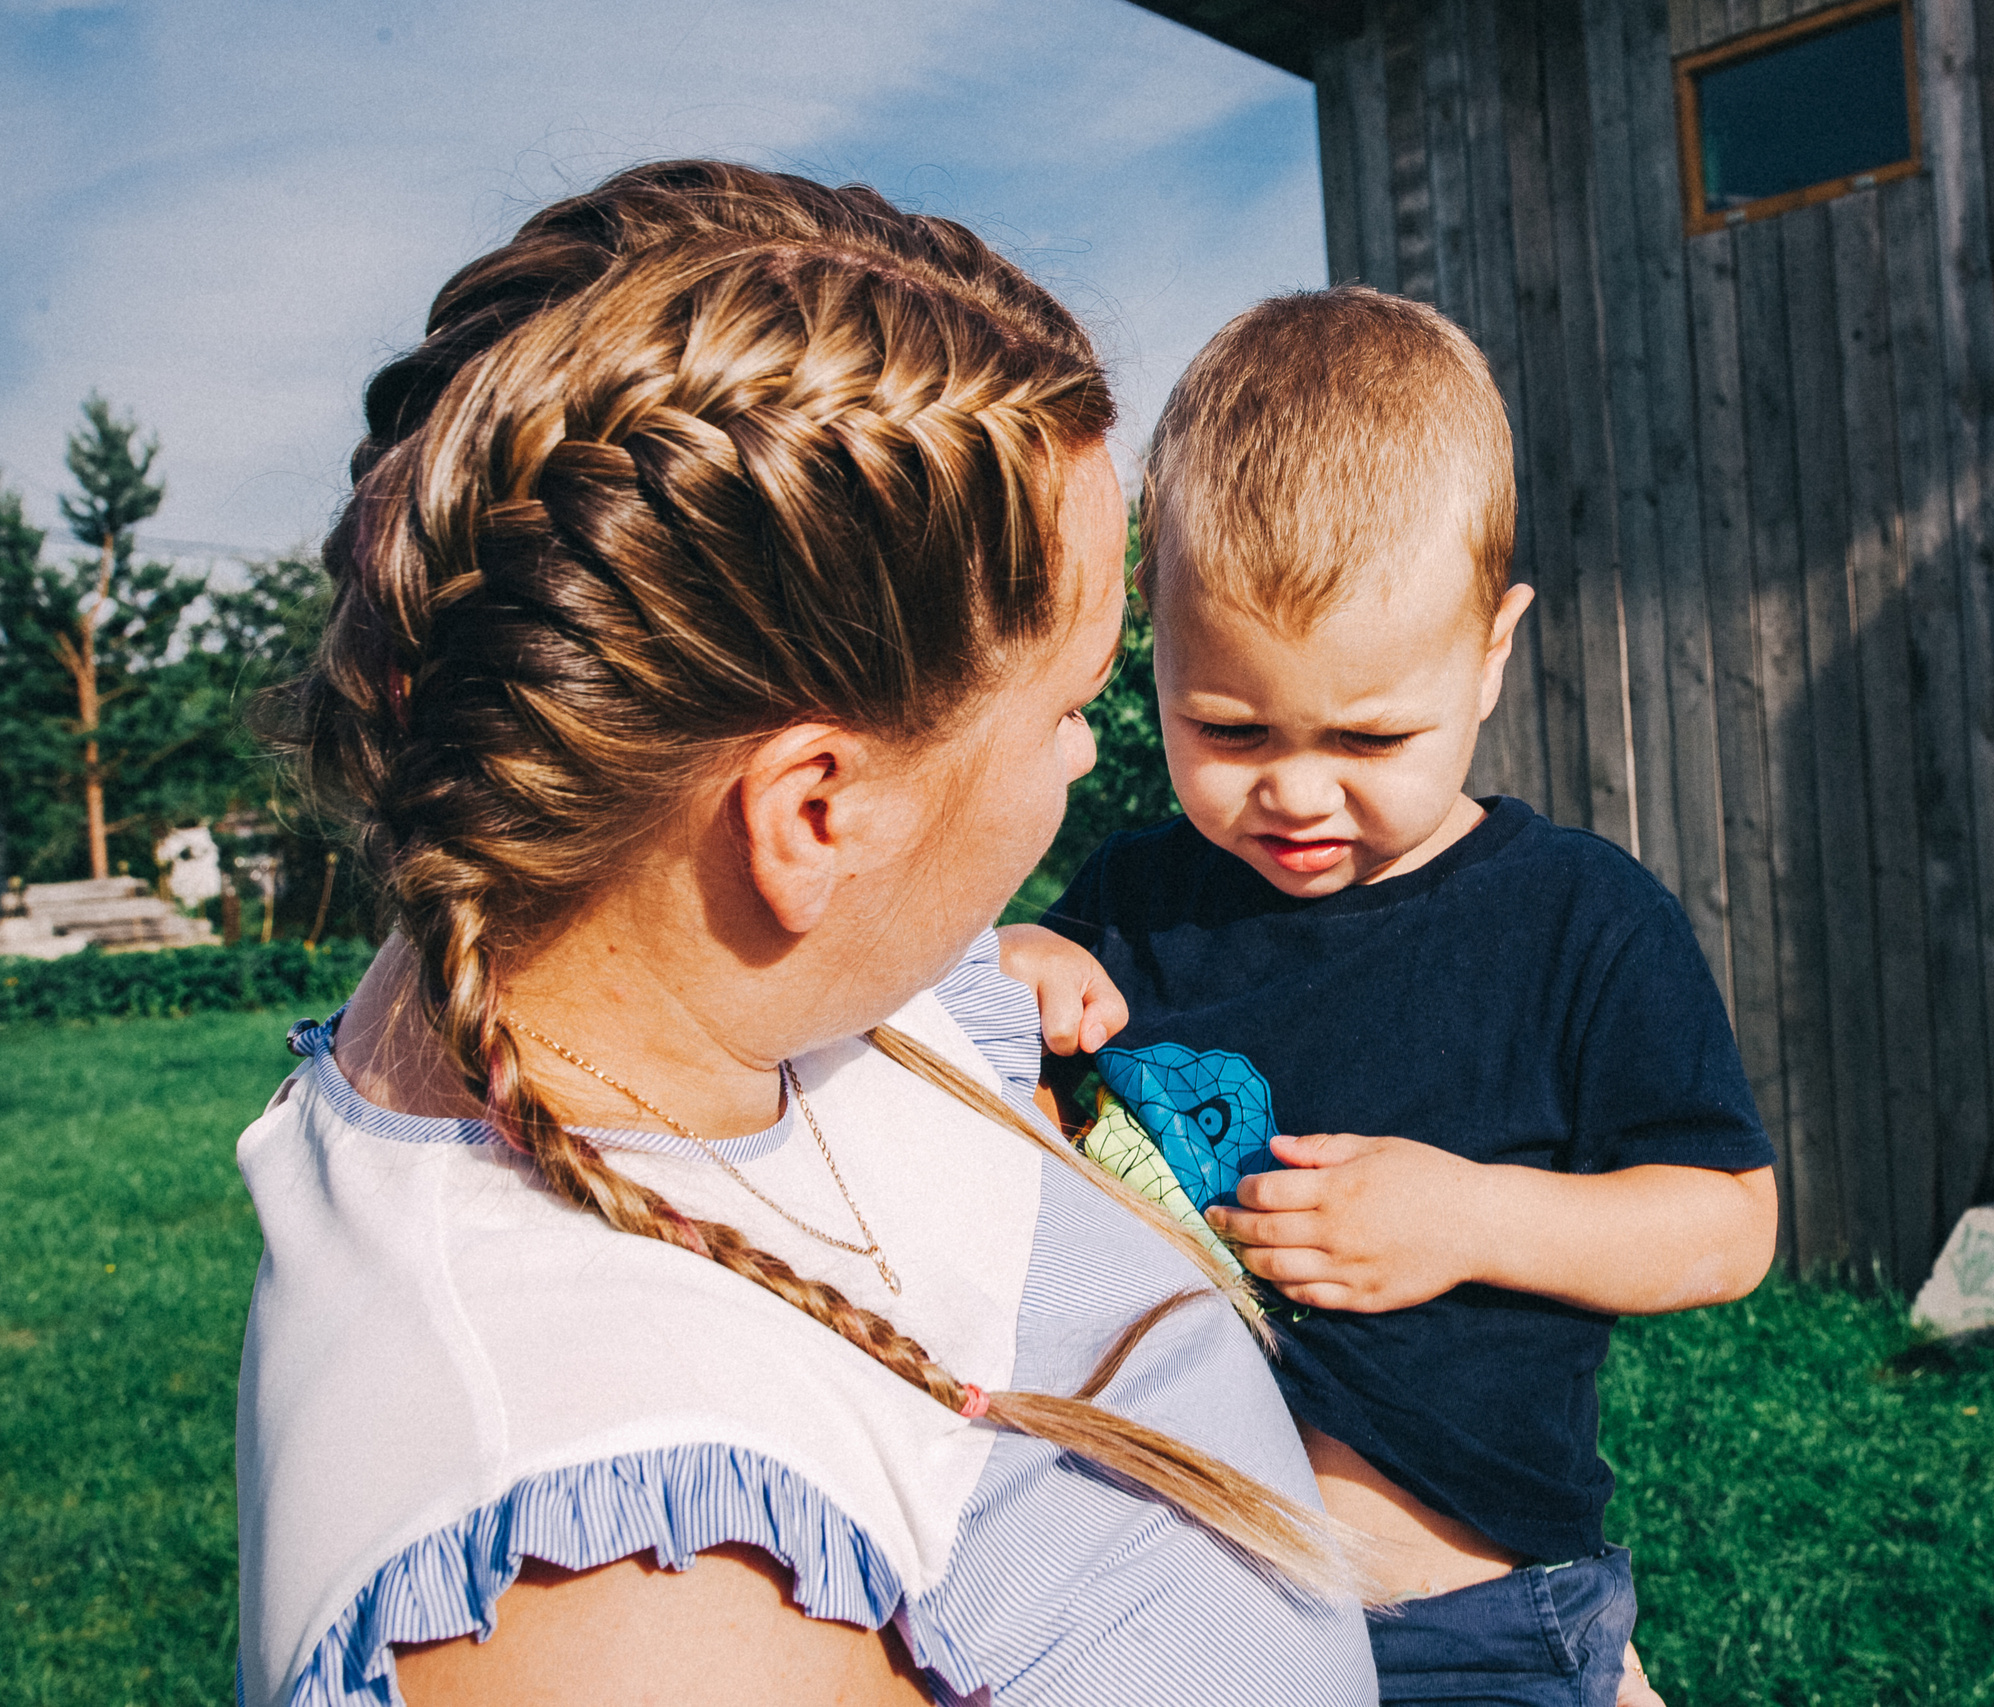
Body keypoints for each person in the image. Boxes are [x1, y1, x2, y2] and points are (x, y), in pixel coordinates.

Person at [231, 162, 1378, 1707]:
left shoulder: (634, 929)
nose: (1087, 758)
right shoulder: (635, 1619)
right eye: (1064, 706)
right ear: (813, 816)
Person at [1001, 287, 1781, 1707]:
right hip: (1162, 1613)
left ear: (1491, 652)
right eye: (1226, 727)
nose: (1296, 791)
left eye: (1369, 734)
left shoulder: (1578, 922)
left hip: (1461, 1623)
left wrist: (1470, 1215)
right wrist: (1028, 964)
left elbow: (1726, 1226)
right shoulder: (1141, 903)